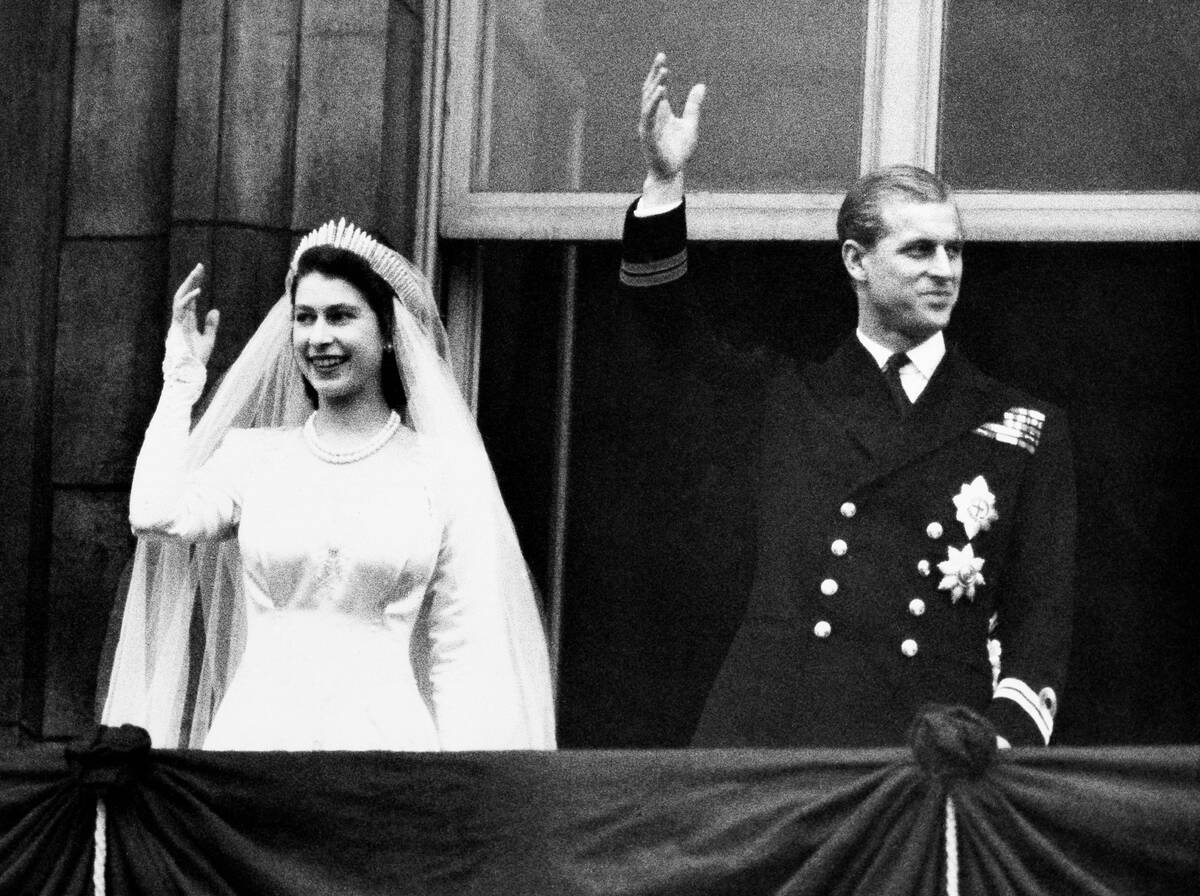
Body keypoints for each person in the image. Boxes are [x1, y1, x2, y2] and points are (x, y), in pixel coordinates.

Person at [619, 55, 1076, 747]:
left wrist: (997, 744)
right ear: (856, 262)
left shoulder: (1023, 428)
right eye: (919, 250)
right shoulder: (786, 398)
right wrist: (664, 181)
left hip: (930, 753)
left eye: (954, 251)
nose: (944, 270)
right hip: (780, 744)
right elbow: (670, 336)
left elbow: (1042, 619)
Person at [103, 219, 556, 751]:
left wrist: (455, 790)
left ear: (388, 332)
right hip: (255, 744)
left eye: (341, 316)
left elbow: (462, 647)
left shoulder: (443, 472)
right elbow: (153, 513)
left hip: (386, 754)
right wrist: (181, 382)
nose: (319, 338)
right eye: (305, 318)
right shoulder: (255, 458)